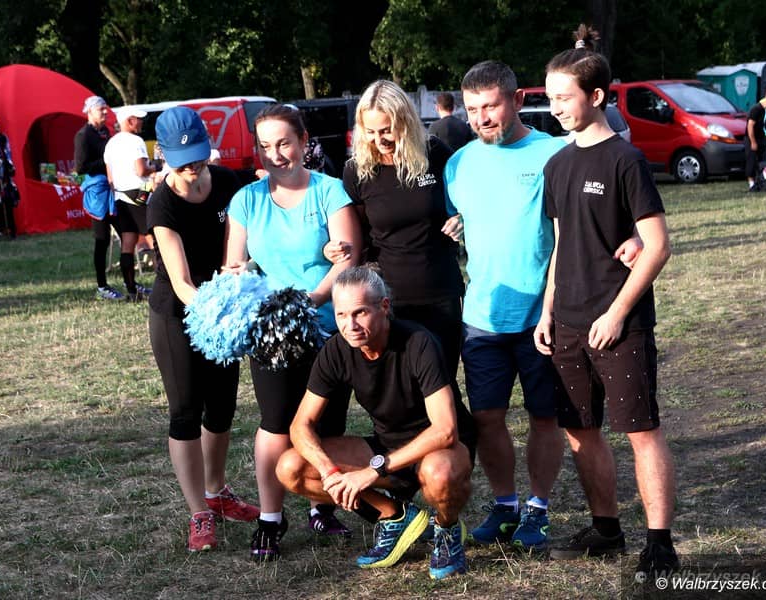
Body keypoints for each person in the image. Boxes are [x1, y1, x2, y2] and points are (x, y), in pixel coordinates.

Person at [537, 25, 678, 581]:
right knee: (579, 429)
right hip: (567, 324)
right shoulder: (556, 164)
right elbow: (560, 245)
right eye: (549, 98)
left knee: (641, 431)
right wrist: (547, 312)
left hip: (619, 324)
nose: (555, 108)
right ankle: (606, 528)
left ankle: (660, 544)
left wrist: (617, 314)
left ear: (596, 96)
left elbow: (658, 245)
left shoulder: (626, 160)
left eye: (563, 97)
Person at [223, 103, 362, 561]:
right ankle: (271, 516)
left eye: (284, 143)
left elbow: (348, 260)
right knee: (276, 423)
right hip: (273, 333)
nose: (276, 154)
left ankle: (322, 505)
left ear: (304, 142)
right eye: (265, 146)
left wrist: (311, 301)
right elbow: (234, 265)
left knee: (328, 423)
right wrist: (241, 273)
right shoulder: (247, 200)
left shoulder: (330, 191)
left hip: (328, 328)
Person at [276, 266, 477, 579]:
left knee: (438, 473)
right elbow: (300, 426)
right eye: (341, 315)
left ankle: (446, 529)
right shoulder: (336, 349)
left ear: (384, 307)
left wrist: (372, 472)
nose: (350, 325)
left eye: (360, 313)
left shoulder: (419, 342)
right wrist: (330, 473)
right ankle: (394, 516)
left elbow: (445, 430)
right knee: (291, 468)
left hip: (441, 449)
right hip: (387, 446)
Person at [443, 59, 568, 553]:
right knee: (487, 417)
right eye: (472, 109)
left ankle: (538, 507)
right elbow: (458, 220)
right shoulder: (458, 164)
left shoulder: (554, 153)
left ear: (517, 100)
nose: (481, 118)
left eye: (490, 106)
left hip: (543, 317)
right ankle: (505, 504)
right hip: (482, 318)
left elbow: (568, 236)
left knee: (544, 417)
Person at [147, 106, 261, 553]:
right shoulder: (162, 203)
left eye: (196, 157)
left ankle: (217, 492)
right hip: (179, 314)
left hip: (222, 309)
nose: (192, 168)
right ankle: (198, 512)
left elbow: (247, 237)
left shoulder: (229, 182)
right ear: (164, 156)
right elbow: (181, 283)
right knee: (185, 411)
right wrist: (218, 313)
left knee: (222, 408)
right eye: (182, 162)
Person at [336, 79, 465, 391]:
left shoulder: (435, 154)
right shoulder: (357, 171)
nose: (379, 139)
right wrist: (335, 248)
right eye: (370, 131)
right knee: (401, 392)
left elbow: (467, 201)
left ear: (405, 122)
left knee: (442, 386)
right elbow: (356, 234)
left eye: (387, 130)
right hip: (389, 300)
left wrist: (462, 218)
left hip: (439, 292)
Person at [104, 106, 158, 301]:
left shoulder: (110, 143)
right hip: (139, 193)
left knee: (128, 242)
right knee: (157, 238)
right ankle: (165, 285)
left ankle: (131, 289)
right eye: (138, 119)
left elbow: (110, 176)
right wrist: (157, 165)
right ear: (129, 121)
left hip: (120, 195)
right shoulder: (136, 141)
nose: (142, 122)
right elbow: (142, 170)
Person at [74, 95, 123, 300]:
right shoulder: (83, 135)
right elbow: (80, 167)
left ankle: (130, 282)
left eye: (105, 109)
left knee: (126, 233)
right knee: (102, 239)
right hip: (96, 192)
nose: (105, 112)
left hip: (111, 189)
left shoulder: (105, 132)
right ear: (90, 111)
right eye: (101, 109)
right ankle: (102, 286)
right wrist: (106, 161)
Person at [744, 85, 766, 192]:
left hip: (760, 138)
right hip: (751, 138)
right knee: (751, 161)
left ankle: (765, 182)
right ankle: (751, 184)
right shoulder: (756, 109)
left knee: (765, 160)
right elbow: (750, 125)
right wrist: (753, 142)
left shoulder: (763, 110)